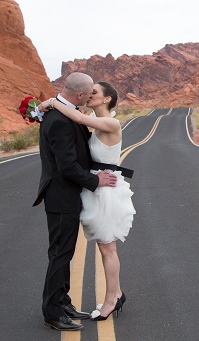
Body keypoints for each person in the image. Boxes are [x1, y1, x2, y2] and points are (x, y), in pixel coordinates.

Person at [40, 81, 135, 322]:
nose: (89, 95)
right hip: (95, 187)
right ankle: (117, 293)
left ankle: (112, 299)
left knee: (107, 247)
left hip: (106, 190)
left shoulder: (110, 123)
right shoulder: (92, 119)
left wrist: (52, 102)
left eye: (94, 92)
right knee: (104, 246)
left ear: (106, 99)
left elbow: (78, 119)